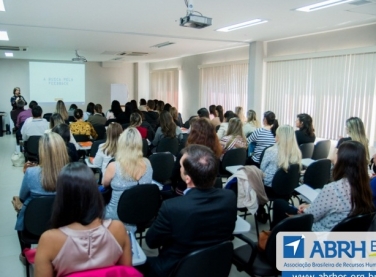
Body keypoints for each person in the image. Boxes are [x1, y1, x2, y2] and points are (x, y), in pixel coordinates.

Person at [145, 144, 237, 277]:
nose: (179, 168)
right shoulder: (229, 197)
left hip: (175, 269)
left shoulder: (171, 207)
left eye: (181, 167)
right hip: (214, 266)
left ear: (187, 179)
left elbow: (151, 242)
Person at [34, 163, 132, 277]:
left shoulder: (49, 240)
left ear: (61, 197)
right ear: (95, 192)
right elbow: (127, 272)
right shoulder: (118, 228)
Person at [272, 141, 374, 231]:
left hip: (317, 234)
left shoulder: (333, 189)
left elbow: (310, 216)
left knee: (279, 204)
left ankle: (273, 247)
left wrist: (305, 209)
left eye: (337, 153)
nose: (334, 157)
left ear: (343, 160)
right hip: (341, 236)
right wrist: (309, 206)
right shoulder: (365, 186)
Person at [16, 133, 70, 260]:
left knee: (21, 212)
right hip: (63, 222)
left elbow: (22, 197)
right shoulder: (71, 171)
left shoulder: (31, 173)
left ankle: (25, 253)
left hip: (34, 224)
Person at [102, 127, 153, 233]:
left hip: (115, 214)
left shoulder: (114, 166)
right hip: (141, 212)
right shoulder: (148, 163)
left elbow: (104, 184)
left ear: (121, 144)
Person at [171, 118, 222, 195]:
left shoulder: (185, 153)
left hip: (185, 191)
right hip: (209, 191)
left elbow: (174, 174)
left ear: (193, 134)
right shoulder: (215, 153)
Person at [261, 125, 302, 190]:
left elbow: (262, 169)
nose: (275, 137)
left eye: (276, 135)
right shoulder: (297, 152)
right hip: (289, 185)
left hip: (270, 186)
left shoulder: (271, 151)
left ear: (280, 137)